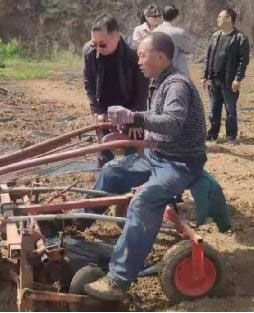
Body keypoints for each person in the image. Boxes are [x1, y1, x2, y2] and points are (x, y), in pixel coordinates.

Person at [83, 32, 208, 300]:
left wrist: (135, 116)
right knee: (111, 171)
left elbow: (173, 122)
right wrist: (130, 123)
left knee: (143, 201)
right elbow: (155, 123)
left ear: (161, 57)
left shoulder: (176, 85)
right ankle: (77, 223)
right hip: (159, 156)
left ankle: (117, 280)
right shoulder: (157, 81)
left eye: (142, 54)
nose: (138, 60)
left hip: (181, 164)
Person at [83, 14, 148, 169]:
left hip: (130, 106)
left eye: (103, 44)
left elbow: (142, 89)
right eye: (95, 43)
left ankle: (135, 181)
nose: (98, 48)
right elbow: (89, 83)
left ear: (117, 36)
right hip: (103, 106)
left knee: (133, 148)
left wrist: (136, 118)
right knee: (104, 148)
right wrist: (98, 111)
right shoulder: (89, 51)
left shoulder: (134, 53)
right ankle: (105, 181)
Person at [202, 8, 250, 145]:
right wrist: (205, 76)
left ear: (229, 19)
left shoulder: (240, 38)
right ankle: (212, 134)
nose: (217, 19)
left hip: (229, 81)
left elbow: (243, 61)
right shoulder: (216, 35)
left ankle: (231, 137)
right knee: (214, 110)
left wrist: (238, 78)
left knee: (230, 110)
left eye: (220, 16)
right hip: (214, 80)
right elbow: (209, 57)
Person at [154, 5, 194, 76]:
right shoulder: (178, 32)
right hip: (177, 74)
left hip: (158, 72)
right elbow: (190, 49)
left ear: (162, 16)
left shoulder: (154, 31)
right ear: (176, 18)